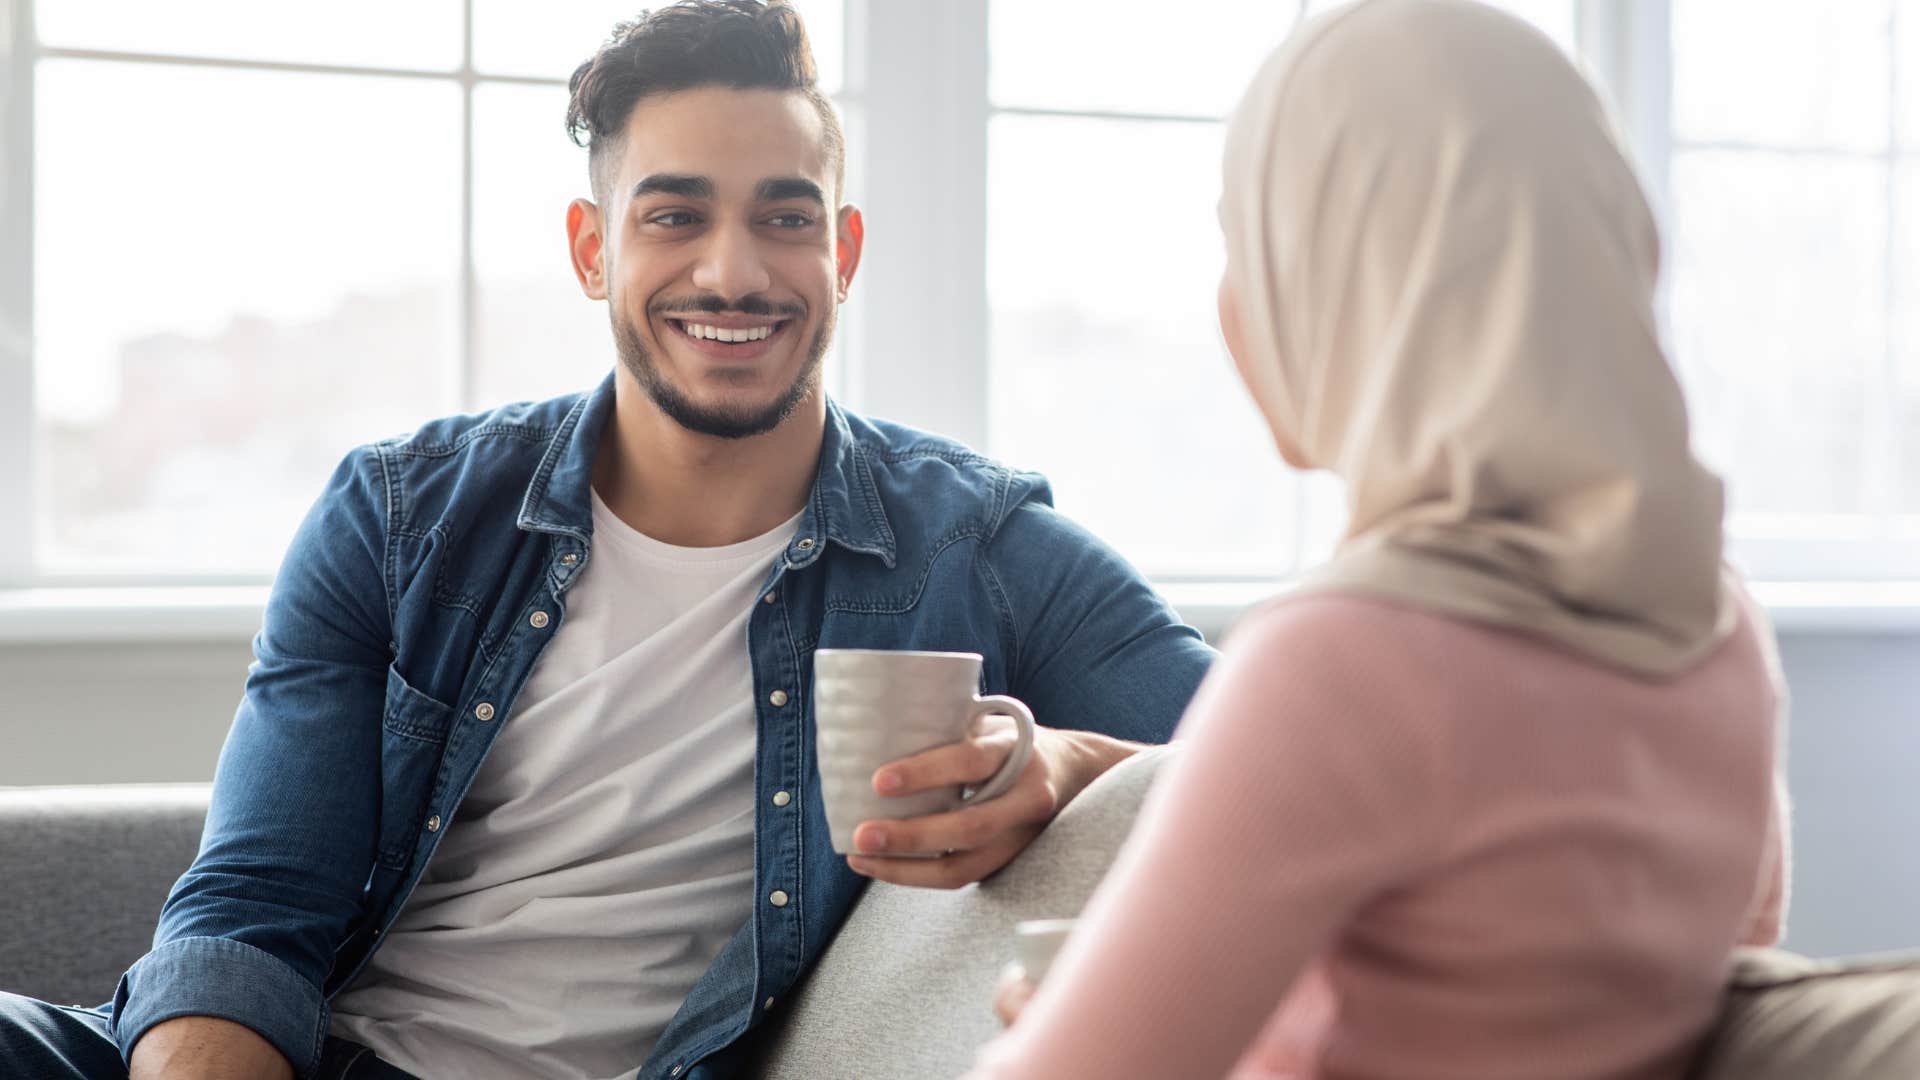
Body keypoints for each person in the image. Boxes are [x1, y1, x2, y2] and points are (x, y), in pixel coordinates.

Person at [0, 4, 1214, 1078]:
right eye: (675, 214)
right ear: (595, 250)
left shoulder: (978, 546)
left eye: (785, 220)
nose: (733, 273)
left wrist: (1063, 764)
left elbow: (1290, 754)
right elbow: (252, 911)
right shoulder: (403, 515)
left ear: (841, 253)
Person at [967, 2, 1787, 1077]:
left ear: (1352, 277)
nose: (1231, 298)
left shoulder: (1347, 657)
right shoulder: (1721, 625)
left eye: (1250, 239)